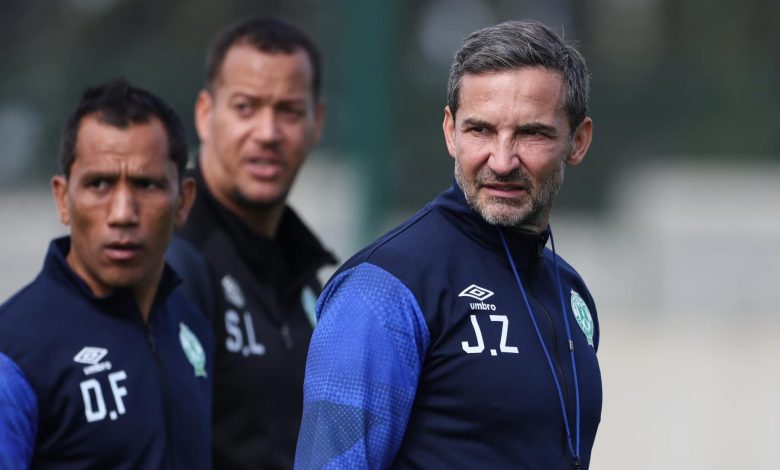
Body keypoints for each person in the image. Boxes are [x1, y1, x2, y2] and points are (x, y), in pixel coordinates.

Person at [295, 20, 603, 469]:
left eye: (531, 134)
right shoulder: (381, 290)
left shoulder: (568, 290)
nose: (502, 160)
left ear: (578, 142)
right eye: (480, 130)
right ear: (449, 132)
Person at [0, 79, 212, 468]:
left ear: (183, 202)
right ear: (63, 199)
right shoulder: (13, 353)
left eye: (146, 185)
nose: (122, 213)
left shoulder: (191, 324)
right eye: (99, 184)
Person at [166, 17, 335, 470]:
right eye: (246, 107)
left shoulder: (314, 279)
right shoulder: (164, 258)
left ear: (316, 122)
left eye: (289, 111)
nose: (267, 132)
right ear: (205, 114)